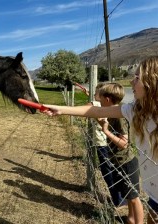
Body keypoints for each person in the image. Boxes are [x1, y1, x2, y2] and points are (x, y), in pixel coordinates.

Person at [43, 56, 158, 224]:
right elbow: (96, 111)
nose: (132, 82)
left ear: (152, 82)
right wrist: (61, 109)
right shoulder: (135, 110)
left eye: (137, 78)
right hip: (153, 195)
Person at [97, 83, 142, 222]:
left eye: (100, 98)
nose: (98, 100)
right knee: (128, 194)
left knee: (134, 198)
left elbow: (123, 144)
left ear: (108, 99)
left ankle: (138, 222)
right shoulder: (111, 114)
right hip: (118, 161)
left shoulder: (120, 117)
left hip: (127, 162)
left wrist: (106, 131)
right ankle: (130, 219)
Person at [84, 83, 125, 207]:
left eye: (96, 93)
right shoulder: (101, 104)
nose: (95, 95)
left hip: (103, 144)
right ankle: (118, 198)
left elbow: (87, 108)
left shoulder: (97, 105)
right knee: (108, 170)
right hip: (103, 143)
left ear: (105, 98)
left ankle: (118, 199)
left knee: (108, 171)